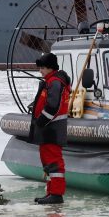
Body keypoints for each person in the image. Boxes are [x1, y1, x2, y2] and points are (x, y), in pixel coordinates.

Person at [29, 52, 71, 204]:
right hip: (49, 129)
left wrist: (40, 121)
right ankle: (52, 191)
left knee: (53, 161)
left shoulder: (54, 82)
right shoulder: (51, 81)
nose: (40, 71)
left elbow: (53, 106)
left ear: (50, 68)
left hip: (51, 129)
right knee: (48, 160)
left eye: (42, 68)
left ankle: (56, 194)